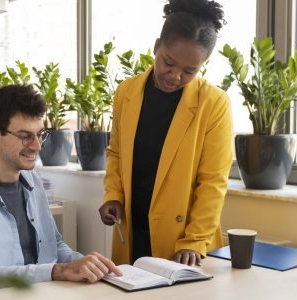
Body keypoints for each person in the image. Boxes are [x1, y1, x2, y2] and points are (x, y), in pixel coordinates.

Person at [0, 84, 121, 292]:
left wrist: (85, 264)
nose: (37, 146)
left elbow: (54, 246)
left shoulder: (33, 182)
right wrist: (58, 271)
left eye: (40, 134)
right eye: (25, 136)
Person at [99, 0, 233, 267]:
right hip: (132, 230)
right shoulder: (126, 92)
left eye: (189, 71)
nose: (174, 76)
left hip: (184, 243)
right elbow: (116, 152)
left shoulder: (214, 103)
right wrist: (112, 195)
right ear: (156, 46)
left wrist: (195, 240)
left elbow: (213, 181)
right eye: (168, 63)